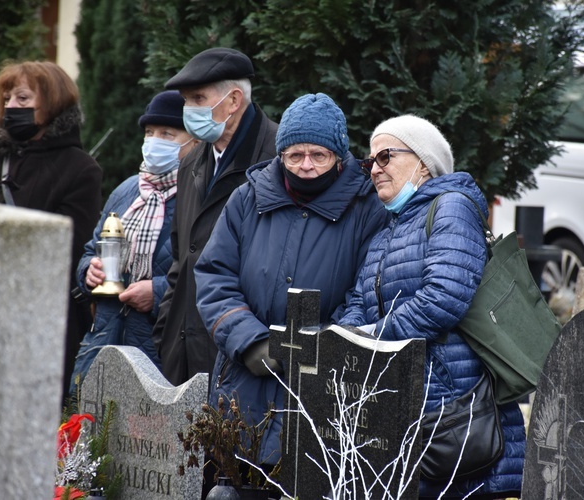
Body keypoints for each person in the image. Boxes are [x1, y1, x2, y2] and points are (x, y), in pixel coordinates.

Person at [193, 93, 388, 468]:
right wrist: (249, 341)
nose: (306, 166)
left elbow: (366, 289)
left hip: (322, 385)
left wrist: (325, 346)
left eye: (319, 155)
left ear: (338, 156)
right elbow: (215, 274)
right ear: (280, 155)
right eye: (295, 155)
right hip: (244, 381)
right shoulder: (247, 199)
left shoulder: (366, 208)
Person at [339, 115, 525, 499]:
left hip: (451, 408)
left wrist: (373, 336)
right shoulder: (390, 227)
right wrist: (346, 337)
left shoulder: (450, 208)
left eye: (386, 157)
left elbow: (443, 298)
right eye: (369, 161)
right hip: (409, 406)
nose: (374, 169)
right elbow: (360, 299)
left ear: (423, 162)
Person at [0, 60, 102, 402]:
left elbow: (70, 251)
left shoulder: (79, 168)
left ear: (53, 102)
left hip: (38, 323)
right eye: (8, 98)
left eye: (23, 99)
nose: (11, 106)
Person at [153, 47, 278, 386]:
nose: (187, 110)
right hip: (183, 353)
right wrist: (166, 329)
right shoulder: (191, 162)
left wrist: (254, 345)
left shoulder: (278, 158)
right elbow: (182, 259)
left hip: (243, 356)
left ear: (234, 100)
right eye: (185, 100)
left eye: (197, 99)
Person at [69, 91, 198, 394]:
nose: (154, 141)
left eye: (167, 133)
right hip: (102, 343)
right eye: (149, 133)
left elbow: (205, 271)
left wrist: (157, 292)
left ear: (194, 140)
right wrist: (89, 271)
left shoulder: (197, 195)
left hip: (159, 352)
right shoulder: (128, 190)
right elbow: (92, 249)